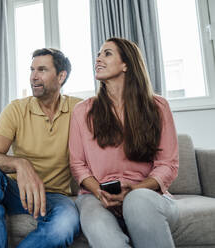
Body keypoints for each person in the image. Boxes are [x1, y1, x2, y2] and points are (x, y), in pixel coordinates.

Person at [69, 37, 179, 248]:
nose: (98, 59)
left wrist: (136, 190)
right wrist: (99, 191)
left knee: (136, 202)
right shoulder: (83, 111)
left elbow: (168, 165)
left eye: (107, 54)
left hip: (147, 196)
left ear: (126, 64)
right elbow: (78, 165)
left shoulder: (158, 107)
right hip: (96, 197)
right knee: (103, 233)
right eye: (98, 55)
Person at [0, 48, 81, 248]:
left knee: (67, 224)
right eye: (31, 70)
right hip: (16, 192)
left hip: (54, 195)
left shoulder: (79, 109)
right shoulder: (16, 109)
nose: (33, 77)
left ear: (61, 76)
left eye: (42, 70)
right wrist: (20, 164)